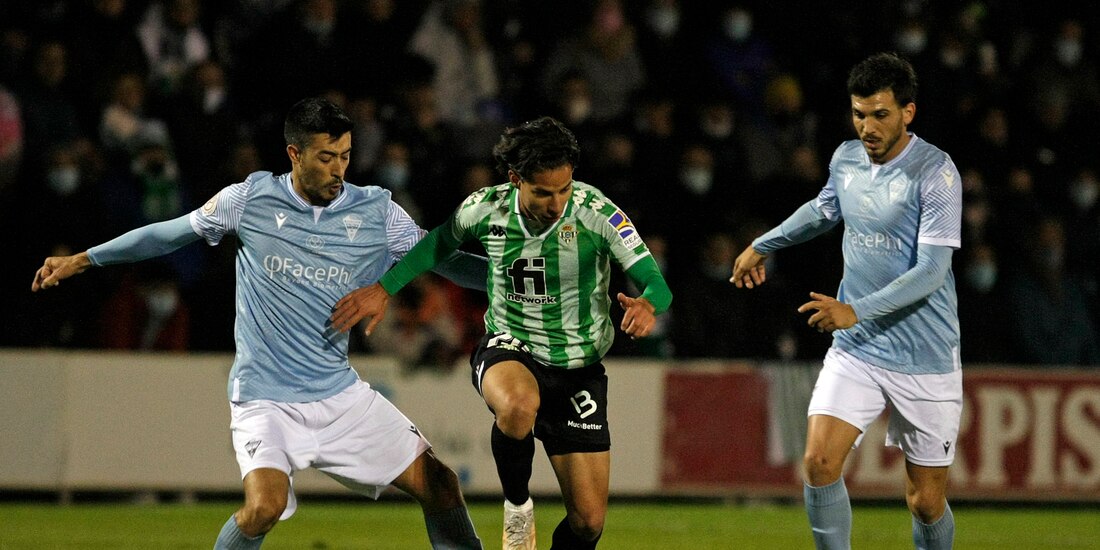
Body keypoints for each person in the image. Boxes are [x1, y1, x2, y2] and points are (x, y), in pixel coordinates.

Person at [31, 97, 484, 550]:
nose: (338, 169)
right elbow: (166, 234)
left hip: (339, 394)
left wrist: (515, 281)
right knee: (265, 507)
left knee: (440, 483)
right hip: (265, 397)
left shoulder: (378, 212)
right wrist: (88, 258)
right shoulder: (250, 199)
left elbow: (440, 259)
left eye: (345, 156)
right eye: (326, 157)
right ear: (294, 153)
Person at [332, 116, 673, 549]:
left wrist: (648, 305)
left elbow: (656, 282)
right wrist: (385, 288)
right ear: (516, 179)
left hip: (577, 370)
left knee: (588, 523)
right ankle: (517, 510)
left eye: (564, 190)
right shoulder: (484, 208)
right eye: (543, 192)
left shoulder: (597, 212)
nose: (556, 204)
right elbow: (439, 243)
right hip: (510, 345)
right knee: (516, 405)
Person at [730, 52, 962, 550]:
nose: (867, 127)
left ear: (908, 113)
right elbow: (824, 209)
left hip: (925, 356)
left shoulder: (936, 173)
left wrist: (854, 309)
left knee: (925, 502)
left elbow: (932, 271)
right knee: (817, 463)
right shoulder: (846, 158)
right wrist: (762, 243)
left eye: (880, 114)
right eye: (859, 114)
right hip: (858, 349)